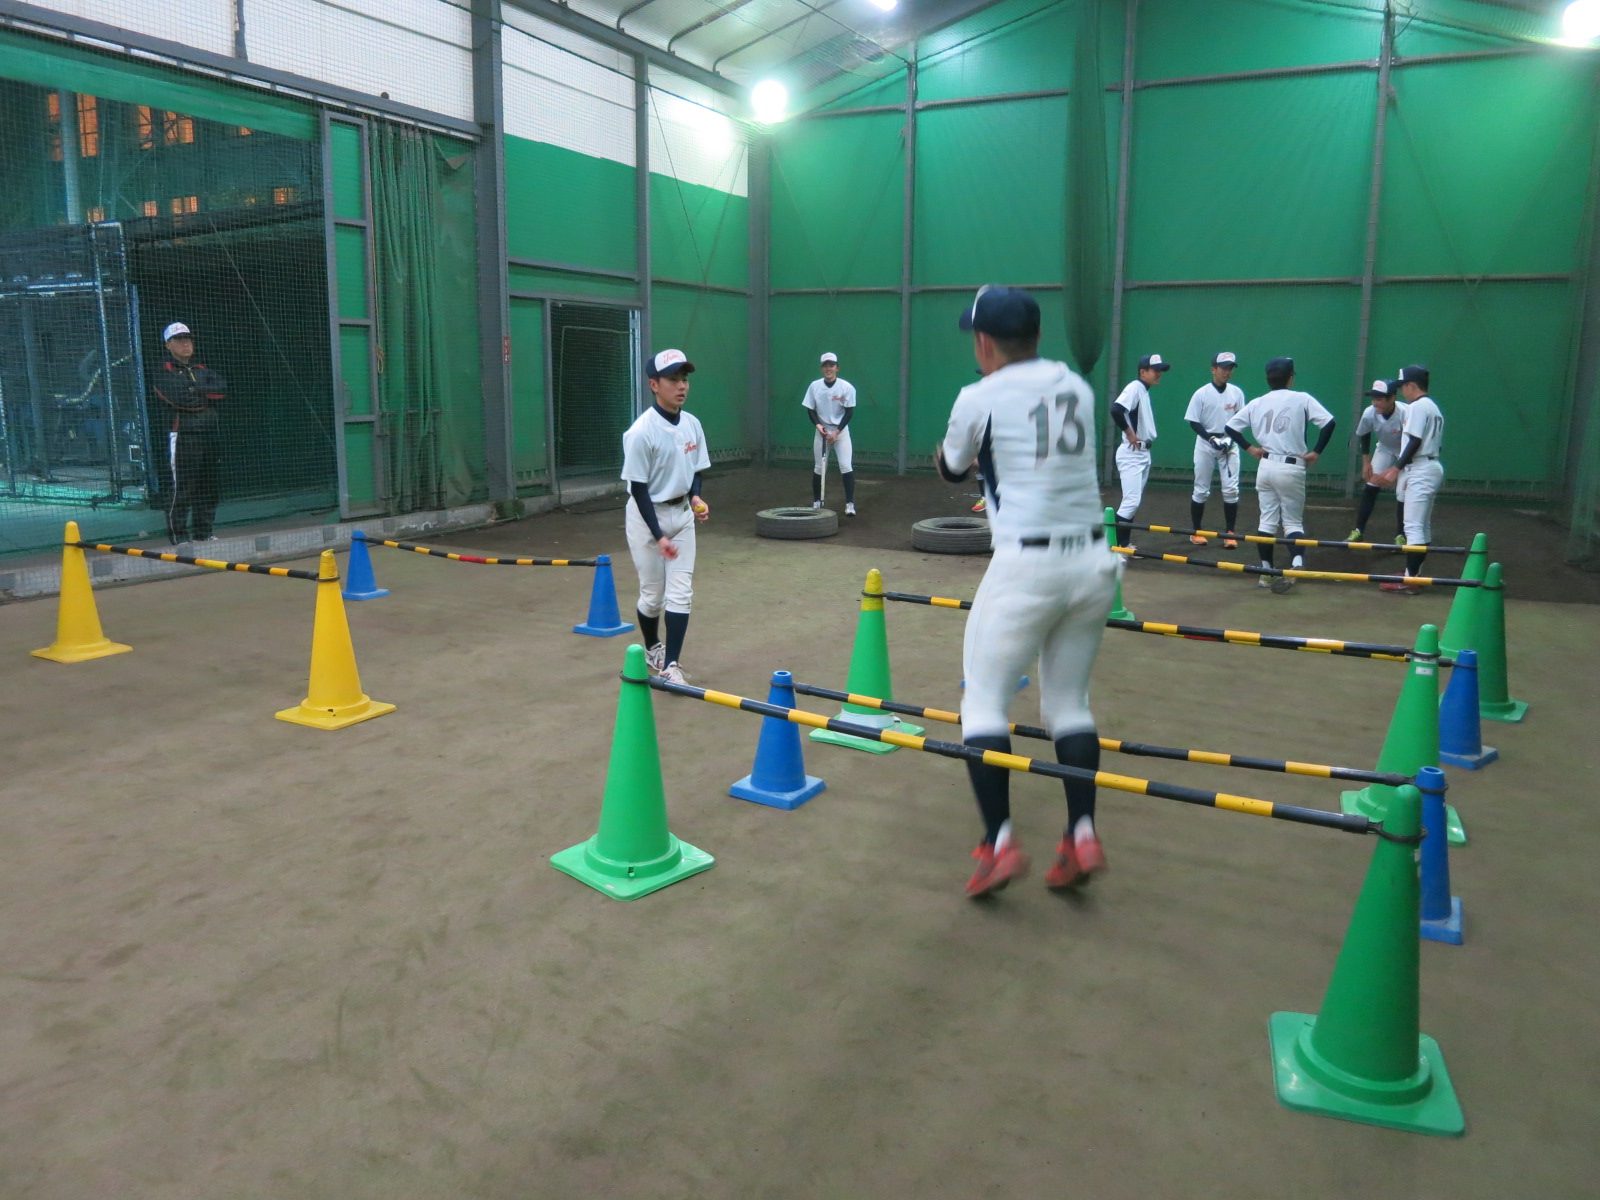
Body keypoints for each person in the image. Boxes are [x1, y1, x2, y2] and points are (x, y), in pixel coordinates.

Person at [933, 285, 1118, 898]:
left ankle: (999, 844)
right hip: (1093, 564)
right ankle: (1081, 833)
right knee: (1069, 705)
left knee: (983, 705)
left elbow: (952, 467)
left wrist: (953, 451)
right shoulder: (1078, 387)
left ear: (985, 342)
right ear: (1037, 335)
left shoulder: (978, 396)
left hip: (1026, 566)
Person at [621, 349, 710, 685]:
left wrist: (695, 496)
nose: (681, 386)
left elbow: (695, 470)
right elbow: (638, 489)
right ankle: (652, 647)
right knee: (652, 596)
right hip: (647, 518)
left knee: (681, 592)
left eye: (684, 379)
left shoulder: (692, 424)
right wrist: (658, 536)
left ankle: (671, 665)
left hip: (683, 516)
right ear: (654, 385)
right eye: (673, 379)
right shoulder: (641, 432)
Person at [1225, 357, 1336, 594]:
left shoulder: (1257, 402)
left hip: (1265, 466)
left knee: (1267, 521)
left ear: (1268, 379)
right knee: (1292, 522)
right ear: (1290, 377)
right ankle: (1296, 563)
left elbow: (1230, 427)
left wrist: (1250, 448)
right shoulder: (1301, 398)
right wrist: (1316, 451)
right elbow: (1329, 423)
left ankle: (1266, 572)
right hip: (1291, 467)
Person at [152, 321, 226, 544]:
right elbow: (179, 399)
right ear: (168, 344)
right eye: (179, 340)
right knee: (182, 487)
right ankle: (180, 537)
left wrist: (196, 389)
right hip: (183, 435)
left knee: (208, 485)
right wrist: (203, 396)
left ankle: (204, 533)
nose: (185, 344)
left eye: (188, 339)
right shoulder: (164, 370)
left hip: (209, 435)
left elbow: (222, 390)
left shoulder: (202, 370)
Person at [1374, 364, 1445, 595]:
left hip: (1420, 468)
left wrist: (1396, 468)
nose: (1402, 390)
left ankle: (1411, 580)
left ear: (1412, 385)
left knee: (1413, 527)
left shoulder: (1417, 407)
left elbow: (1414, 441)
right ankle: (1413, 573)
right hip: (1430, 465)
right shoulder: (1432, 407)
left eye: (1403, 386)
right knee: (1422, 527)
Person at [1183, 351, 1244, 547]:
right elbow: (1193, 421)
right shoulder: (1201, 393)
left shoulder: (1236, 393)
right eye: (1224, 368)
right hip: (1205, 443)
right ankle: (1196, 532)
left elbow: (1240, 420)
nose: (1228, 372)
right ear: (1213, 369)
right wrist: (1210, 438)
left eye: (1230, 368)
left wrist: (1231, 439)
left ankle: (1230, 533)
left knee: (1231, 490)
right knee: (1201, 489)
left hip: (1229, 443)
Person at [1111, 353, 1169, 549]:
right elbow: (1116, 409)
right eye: (1155, 370)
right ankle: (1113, 546)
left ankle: (1123, 544)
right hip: (1132, 453)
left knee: (1132, 502)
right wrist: (1129, 433)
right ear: (1142, 372)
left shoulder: (1143, 390)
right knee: (1131, 502)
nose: (1159, 374)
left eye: (1160, 370)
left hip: (1142, 453)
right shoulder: (1135, 387)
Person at [1346, 378, 1408, 546]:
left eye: (1379, 399)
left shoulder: (1405, 413)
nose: (1375, 402)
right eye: (1373, 398)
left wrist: (1397, 469)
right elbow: (1365, 434)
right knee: (1371, 484)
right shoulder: (1370, 412)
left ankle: (1401, 535)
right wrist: (1366, 462)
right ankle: (1358, 531)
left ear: (1392, 398)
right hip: (1385, 449)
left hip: (1406, 453)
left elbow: (1412, 443)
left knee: (1402, 493)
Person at [802, 352, 857, 516]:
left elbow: (849, 412)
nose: (828, 369)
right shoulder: (814, 386)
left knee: (846, 466)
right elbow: (810, 409)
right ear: (822, 368)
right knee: (819, 467)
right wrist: (819, 426)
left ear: (837, 368)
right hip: (822, 432)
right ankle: (817, 501)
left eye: (831, 365)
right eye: (825, 365)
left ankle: (849, 504)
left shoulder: (846, 387)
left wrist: (837, 432)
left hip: (841, 432)